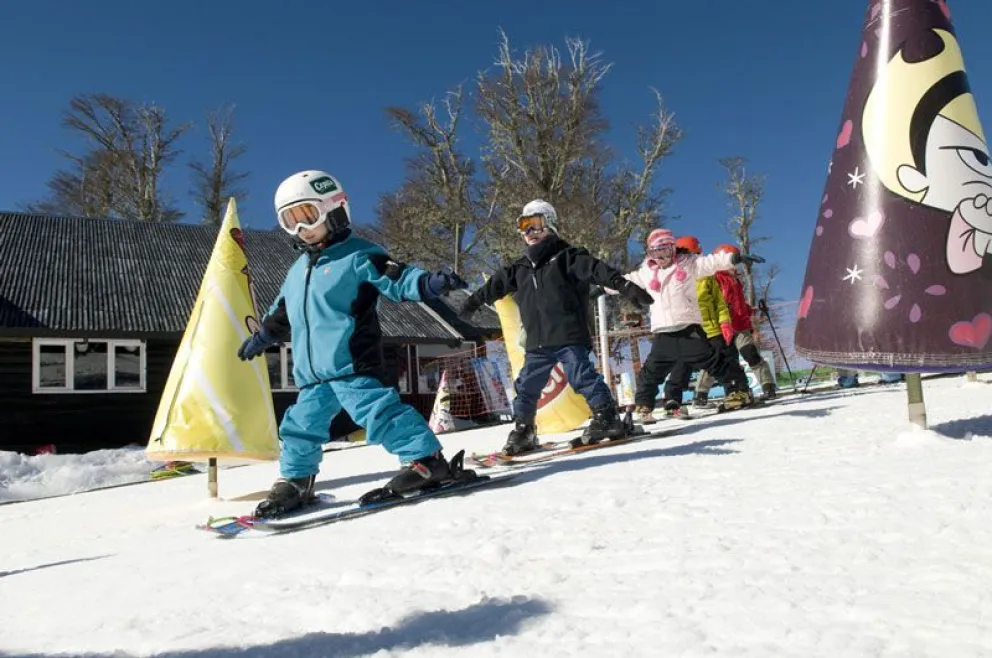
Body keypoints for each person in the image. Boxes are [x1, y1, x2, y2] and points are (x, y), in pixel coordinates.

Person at [237, 170, 469, 518]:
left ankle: (426, 461)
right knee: (300, 426)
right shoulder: (297, 271)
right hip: (313, 375)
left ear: (334, 210)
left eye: (308, 216)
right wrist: (262, 337)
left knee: (378, 413)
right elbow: (283, 312)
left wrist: (427, 284)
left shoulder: (359, 255)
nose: (301, 228)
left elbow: (397, 277)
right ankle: (296, 481)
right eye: (290, 220)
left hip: (351, 363)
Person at [458, 199, 653, 454]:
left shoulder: (568, 257)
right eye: (524, 226)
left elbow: (597, 270)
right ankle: (524, 429)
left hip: (568, 333)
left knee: (581, 376)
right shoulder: (519, 268)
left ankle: (606, 417)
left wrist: (624, 285)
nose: (529, 232)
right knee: (526, 386)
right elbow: (493, 286)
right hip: (537, 341)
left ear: (550, 225)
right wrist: (471, 303)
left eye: (536, 224)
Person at [621, 229, 762, 422]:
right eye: (655, 253)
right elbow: (625, 281)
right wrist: (603, 286)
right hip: (663, 332)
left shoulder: (690, 264)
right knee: (651, 370)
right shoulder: (646, 272)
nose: (661, 258)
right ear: (649, 253)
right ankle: (644, 404)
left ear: (673, 249)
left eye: (665, 251)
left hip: (688, 328)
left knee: (715, 360)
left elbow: (712, 262)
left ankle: (738, 390)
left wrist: (734, 258)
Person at [662, 236, 751, 418]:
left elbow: (719, 302)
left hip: (712, 328)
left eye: (696, 255)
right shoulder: (674, 277)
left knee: (726, 358)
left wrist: (725, 322)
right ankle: (673, 400)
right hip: (690, 328)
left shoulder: (707, 275)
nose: (693, 259)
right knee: (682, 363)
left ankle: (738, 392)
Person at [695, 243, 777, 402]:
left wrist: (750, 311)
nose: (735, 267)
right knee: (720, 359)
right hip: (722, 327)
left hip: (740, 326)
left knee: (750, 353)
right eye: (733, 262)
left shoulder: (735, 280)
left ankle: (768, 386)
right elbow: (716, 301)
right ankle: (701, 393)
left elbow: (738, 303)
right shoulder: (715, 277)